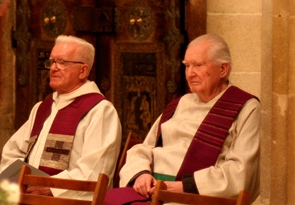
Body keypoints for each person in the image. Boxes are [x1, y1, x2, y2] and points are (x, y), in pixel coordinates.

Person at [104, 33, 260, 204]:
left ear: (223, 69)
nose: (190, 73)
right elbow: (144, 149)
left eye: (198, 65)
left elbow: (240, 174)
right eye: (187, 66)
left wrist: (176, 187)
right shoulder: (179, 104)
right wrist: (142, 174)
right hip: (151, 192)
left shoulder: (245, 107)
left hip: (195, 197)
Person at [0, 35, 122, 200]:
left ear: (83, 70)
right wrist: (15, 181)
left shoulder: (100, 111)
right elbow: (14, 151)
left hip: (69, 201)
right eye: (51, 62)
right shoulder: (42, 108)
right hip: (28, 197)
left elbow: (95, 170)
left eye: (62, 62)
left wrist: (51, 188)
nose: (53, 68)